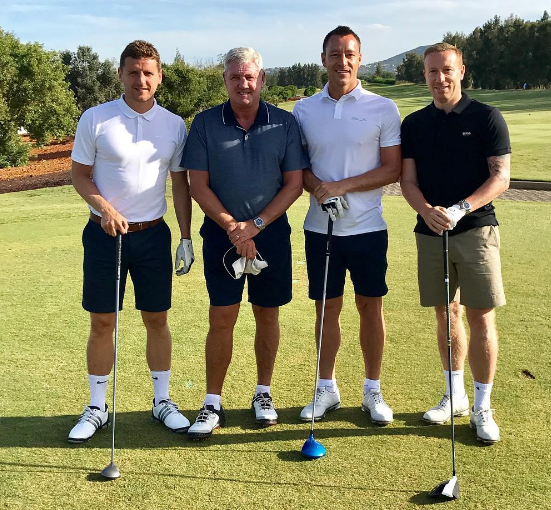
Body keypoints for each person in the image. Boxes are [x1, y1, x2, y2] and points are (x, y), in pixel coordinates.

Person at [68, 40, 194, 443]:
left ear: (159, 76)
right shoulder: (96, 118)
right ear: (121, 74)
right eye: (134, 72)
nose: (141, 79)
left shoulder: (174, 124)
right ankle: (97, 407)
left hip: (154, 236)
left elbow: (180, 184)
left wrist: (187, 237)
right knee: (103, 321)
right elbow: (80, 175)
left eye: (148, 72)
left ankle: (161, 402)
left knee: (157, 319)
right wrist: (104, 207)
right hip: (105, 236)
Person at [182, 47, 307, 440]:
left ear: (262, 78)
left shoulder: (284, 123)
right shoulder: (204, 124)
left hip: (271, 233)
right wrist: (234, 227)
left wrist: (254, 225)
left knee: (267, 314)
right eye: (235, 77)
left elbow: (294, 183)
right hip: (221, 235)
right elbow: (197, 185)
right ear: (225, 81)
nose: (243, 83)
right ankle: (212, 401)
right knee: (222, 316)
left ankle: (263, 394)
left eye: (249, 76)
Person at [400, 42, 511, 444]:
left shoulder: (487, 117)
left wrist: (461, 208)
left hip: (476, 229)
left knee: (481, 316)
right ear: (424, 75)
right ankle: (455, 395)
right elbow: (407, 181)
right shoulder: (413, 124)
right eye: (432, 71)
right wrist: (427, 210)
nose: (439, 78)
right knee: (445, 314)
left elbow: (501, 177)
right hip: (430, 232)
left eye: (447, 70)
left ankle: (482, 407)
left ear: (461, 70)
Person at [293, 26, 401, 425]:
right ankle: (326, 388)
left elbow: (391, 168)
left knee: (370, 306)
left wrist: (340, 186)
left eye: (350, 54)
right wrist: (320, 189)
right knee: (326, 309)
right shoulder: (304, 110)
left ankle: (372, 390)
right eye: (335, 54)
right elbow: (297, 168)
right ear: (323, 59)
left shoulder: (383, 108)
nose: (343, 61)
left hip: (368, 227)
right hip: (320, 228)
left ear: (360, 59)